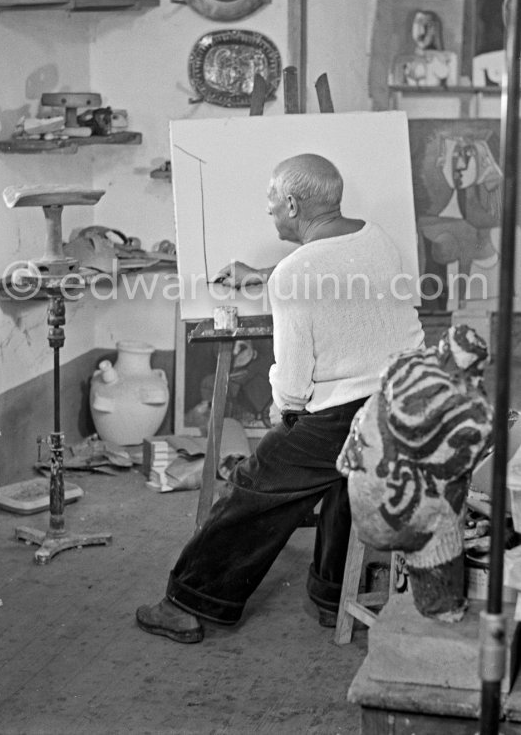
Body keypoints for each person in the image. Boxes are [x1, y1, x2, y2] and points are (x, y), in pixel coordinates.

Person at [136, 153, 425, 643]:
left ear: (292, 204)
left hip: (344, 409)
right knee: (343, 481)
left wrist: (282, 413)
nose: (268, 212)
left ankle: (190, 602)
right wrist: (268, 274)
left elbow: (291, 384)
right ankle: (334, 598)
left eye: (271, 202)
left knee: (254, 489)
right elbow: (336, 265)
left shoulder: (294, 275)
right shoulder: (375, 237)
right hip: (402, 398)